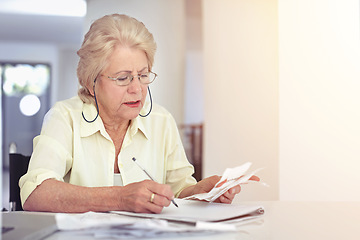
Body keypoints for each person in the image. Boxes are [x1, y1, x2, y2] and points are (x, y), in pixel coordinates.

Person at [19, 14, 258, 214]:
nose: (137, 88)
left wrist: (200, 192)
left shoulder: (161, 121)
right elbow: (36, 194)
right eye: (123, 78)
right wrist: (119, 197)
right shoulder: (64, 117)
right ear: (91, 83)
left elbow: (178, 193)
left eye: (143, 76)